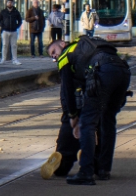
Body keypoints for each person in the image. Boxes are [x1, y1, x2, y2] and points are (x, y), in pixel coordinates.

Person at [46, 37, 131, 185]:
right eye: (51, 56)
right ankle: (104, 169)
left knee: (87, 123)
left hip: (102, 71)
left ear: (62, 44)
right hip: (122, 70)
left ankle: (86, 171)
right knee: (107, 120)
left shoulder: (65, 56)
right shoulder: (85, 48)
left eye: (53, 51)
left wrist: (72, 116)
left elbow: (67, 89)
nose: (54, 56)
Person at [0, 0, 23, 65]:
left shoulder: (16, 12)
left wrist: (16, 26)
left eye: (11, 2)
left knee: (14, 45)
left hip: (13, 31)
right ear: (6, 3)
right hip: (5, 31)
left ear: (13, 4)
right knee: (5, 45)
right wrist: (2, 26)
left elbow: (20, 20)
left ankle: (15, 59)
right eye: (8, 2)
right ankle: (3, 59)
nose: (10, 4)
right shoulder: (3, 12)